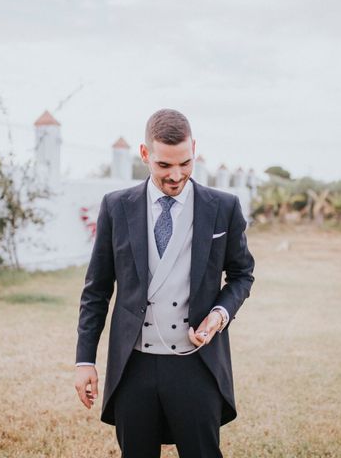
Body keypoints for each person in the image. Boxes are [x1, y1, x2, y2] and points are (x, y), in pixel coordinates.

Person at [74, 109, 255, 458]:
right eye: (164, 166)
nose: (176, 176)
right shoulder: (115, 207)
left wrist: (220, 314)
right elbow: (96, 290)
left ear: (194, 149)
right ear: (145, 155)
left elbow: (242, 274)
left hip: (196, 365)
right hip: (133, 366)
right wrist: (85, 360)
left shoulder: (223, 207)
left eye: (185, 164)